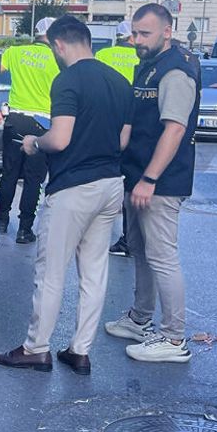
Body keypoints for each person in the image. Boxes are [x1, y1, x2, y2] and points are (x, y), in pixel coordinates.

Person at [0, 17, 133, 374]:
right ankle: (80, 351)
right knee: (94, 273)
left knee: (51, 272)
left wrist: (33, 143)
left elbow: (60, 138)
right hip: (110, 184)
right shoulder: (119, 81)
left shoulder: (67, 79)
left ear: (58, 45)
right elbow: (123, 141)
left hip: (73, 187)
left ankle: (36, 348)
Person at [104, 3, 200, 364]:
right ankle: (140, 319)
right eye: (134, 32)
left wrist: (149, 179)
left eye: (145, 33)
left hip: (159, 182)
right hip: (138, 176)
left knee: (162, 257)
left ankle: (174, 339)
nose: (137, 40)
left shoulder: (175, 71)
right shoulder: (149, 65)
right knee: (140, 251)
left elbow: (174, 129)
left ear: (167, 32)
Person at [0, 17, 60, 244]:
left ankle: (1, 220)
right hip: (42, 124)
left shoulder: (15, 52)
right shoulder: (58, 59)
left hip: (15, 120)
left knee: (9, 173)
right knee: (34, 180)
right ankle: (25, 229)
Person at [95, 21, 138, 256]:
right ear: (132, 38)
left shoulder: (103, 54)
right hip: (133, 123)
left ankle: (93, 231)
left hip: (106, 122)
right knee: (130, 180)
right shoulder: (141, 57)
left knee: (102, 173)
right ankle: (129, 238)